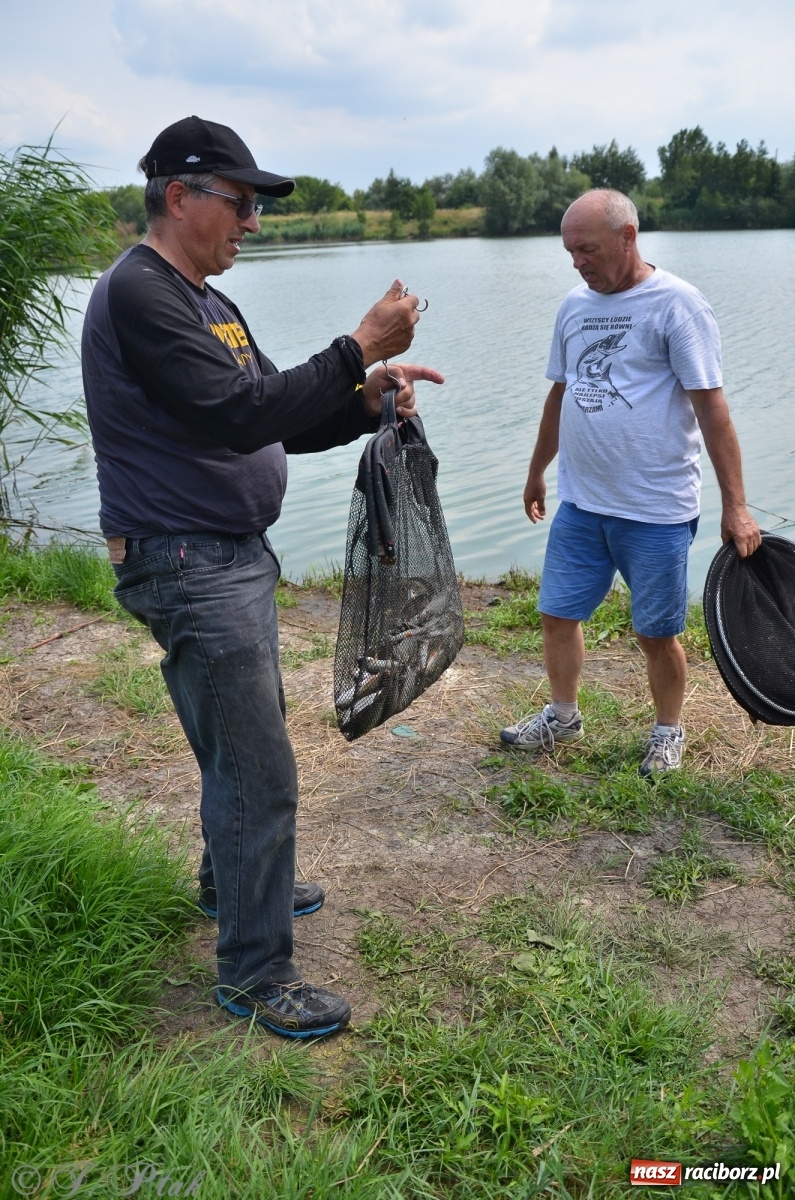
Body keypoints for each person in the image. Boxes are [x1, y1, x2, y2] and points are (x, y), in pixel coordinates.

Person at [81, 115, 443, 1038]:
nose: (251, 220)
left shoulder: (207, 301)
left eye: (253, 205)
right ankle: (253, 973)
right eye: (237, 202)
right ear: (179, 196)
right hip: (188, 558)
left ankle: (227, 880)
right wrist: (356, 342)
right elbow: (239, 413)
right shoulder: (141, 292)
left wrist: (364, 401)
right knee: (258, 767)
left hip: (226, 556)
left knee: (241, 743)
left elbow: (272, 414)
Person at [500, 188, 760, 776]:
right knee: (556, 616)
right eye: (570, 252)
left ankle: (668, 732)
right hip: (583, 503)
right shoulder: (573, 307)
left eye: (587, 249)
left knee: (656, 632)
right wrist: (538, 469)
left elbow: (713, 411)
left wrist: (736, 506)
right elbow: (561, 394)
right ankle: (563, 718)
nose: (578, 262)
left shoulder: (678, 306)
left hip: (656, 509)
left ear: (628, 237)